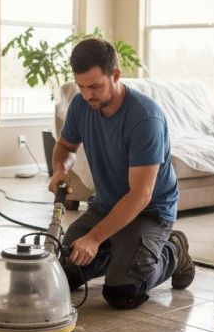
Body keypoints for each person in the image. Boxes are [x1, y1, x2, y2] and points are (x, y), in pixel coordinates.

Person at [49, 37, 194, 309]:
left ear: (115, 75)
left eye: (95, 86)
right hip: (106, 206)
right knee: (61, 275)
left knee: (123, 291)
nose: (87, 94)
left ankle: (174, 251)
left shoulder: (144, 118)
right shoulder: (81, 105)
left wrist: (93, 238)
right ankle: (118, 251)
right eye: (81, 87)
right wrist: (60, 169)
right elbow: (66, 147)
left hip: (149, 212)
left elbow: (140, 195)